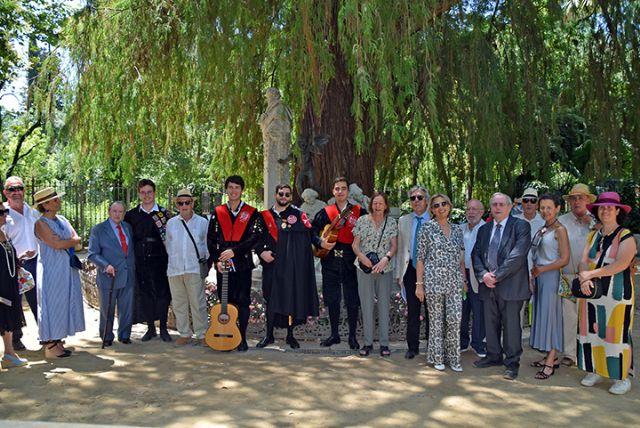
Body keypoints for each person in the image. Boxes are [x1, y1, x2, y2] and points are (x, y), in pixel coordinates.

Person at [576, 191, 636, 395]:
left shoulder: (625, 236)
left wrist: (588, 275)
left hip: (616, 294)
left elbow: (621, 264)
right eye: (602, 207)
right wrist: (585, 276)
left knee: (615, 333)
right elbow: (583, 259)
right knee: (591, 330)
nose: (606, 210)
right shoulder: (593, 235)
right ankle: (594, 369)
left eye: (611, 207)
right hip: (592, 292)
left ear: (618, 211)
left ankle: (622, 376)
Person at [472, 192, 531, 380]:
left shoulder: (521, 226)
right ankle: (493, 356)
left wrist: (495, 276)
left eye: (501, 204)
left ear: (509, 207)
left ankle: (512, 363)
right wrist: (483, 275)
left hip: (511, 286)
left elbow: (518, 256)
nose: (497, 208)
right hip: (488, 285)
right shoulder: (484, 230)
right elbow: (476, 254)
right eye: (494, 204)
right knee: (490, 324)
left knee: (512, 327)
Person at [255, 184, 319, 349]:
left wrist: (321, 243)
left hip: (290, 266)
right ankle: (268, 335)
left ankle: (290, 336)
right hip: (271, 264)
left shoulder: (298, 215)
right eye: (281, 194)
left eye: (287, 194)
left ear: (291, 197)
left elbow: (311, 234)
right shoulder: (264, 216)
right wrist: (262, 252)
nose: (284, 197)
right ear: (276, 195)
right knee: (270, 299)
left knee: (290, 298)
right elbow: (256, 238)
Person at [312, 177, 367, 349]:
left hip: (352, 258)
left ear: (348, 192)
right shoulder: (325, 212)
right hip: (330, 259)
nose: (340, 191)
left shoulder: (359, 211)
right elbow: (312, 231)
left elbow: (369, 231)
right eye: (337, 188)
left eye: (343, 188)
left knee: (352, 299)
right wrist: (320, 243)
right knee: (332, 298)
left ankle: (352, 336)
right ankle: (334, 335)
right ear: (333, 191)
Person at [207, 175, 260, 352]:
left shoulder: (252, 213)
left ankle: (242, 338)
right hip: (223, 263)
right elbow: (211, 239)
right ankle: (226, 334)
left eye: (237, 187)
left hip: (242, 262)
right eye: (230, 187)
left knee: (243, 300)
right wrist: (216, 260)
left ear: (242, 190)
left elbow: (255, 238)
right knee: (226, 301)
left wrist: (235, 251)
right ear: (226, 190)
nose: (233, 191)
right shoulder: (218, 212)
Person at [415, 194, 465, 371]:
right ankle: (437, 358)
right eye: (436, 206)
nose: (440, 208)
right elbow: (420, 258)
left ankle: (454, 358)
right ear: (432, 210)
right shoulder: (427, 229)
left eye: (444, 204)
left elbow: (461, 257)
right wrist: (419, 285)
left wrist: (464, 279)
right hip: (433, 281)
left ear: (450, 206)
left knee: (454, 320)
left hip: (454, 281)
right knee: (436, 321)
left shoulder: (458, 230)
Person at [33, 187, 85, 358]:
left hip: (66, 269)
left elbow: (77, 240)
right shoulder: (41, 224)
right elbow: (57, 244)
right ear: (45, 205)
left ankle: (59, 339)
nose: (58, 201)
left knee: (65, 302)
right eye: (54, 199)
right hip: (52, 270)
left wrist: (68, 241)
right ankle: (51, 343)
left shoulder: (62, 219)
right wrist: (69, 241)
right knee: (53, 303)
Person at [124, 179, 173, 342]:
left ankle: (164, 328)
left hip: (161, 259)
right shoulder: (131, 215)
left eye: (149, 192)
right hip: (141, 260)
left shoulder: (164, 214)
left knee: (163, 294)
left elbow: (171, 238)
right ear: (139, 194)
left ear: (154, 193)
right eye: (143, 192)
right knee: (146, 294)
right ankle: (151, 328)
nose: (146, 195)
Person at [528, 194, 570, 380]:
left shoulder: (560, 230)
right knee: (542, 315)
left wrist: (543, 269)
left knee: (551, 317)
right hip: (540, 277)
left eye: (549, 208)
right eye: (542, 207)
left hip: (550, 276)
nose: (545, 211)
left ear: (558, 208)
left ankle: (550, 361)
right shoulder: (544, 228)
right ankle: (548, 356)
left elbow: (564, 259)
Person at [352, 192, 398, 357]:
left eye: (380, 203)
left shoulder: (391, 222)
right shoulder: (362, 221)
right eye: (375, 203)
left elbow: (394, 246)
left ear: (386, 206)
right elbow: (355, 245)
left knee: (384, 305)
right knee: (367, 305)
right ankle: (368, 342)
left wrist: (385, 259)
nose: (377, 206)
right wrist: (363, 258)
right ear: (371, 205)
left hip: (384, 268)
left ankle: (384, 344)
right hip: (365, 268)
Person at [557, 183, 596, 367]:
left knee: (591, 315)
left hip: (593, 277)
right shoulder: (561, 221)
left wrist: (594, 224)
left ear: (589, 200)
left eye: (581, 197)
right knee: (569, 315)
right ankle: (570, 353)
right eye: (573, 198)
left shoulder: (599, 220)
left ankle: (590, 353)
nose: (577, 201)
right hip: (567, 276)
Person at [87, 201, 136, 346]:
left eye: (120, 212)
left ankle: (125, 335)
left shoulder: (127, 227)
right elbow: (92, 254)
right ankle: (106, 336)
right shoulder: (99, 229)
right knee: (107, 309)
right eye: (115, 211)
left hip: (127, 274)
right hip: (109, 275)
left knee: (126, 308)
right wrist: (105, 265)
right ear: (109, 211)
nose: (117, 214)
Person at [165, 189, 210, 346]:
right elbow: (168, 245)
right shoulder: (170, 223)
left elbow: (206, 245)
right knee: (179, 304)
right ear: (177, 204)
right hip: (175, 269)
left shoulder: (202, 223)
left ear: (192, 203)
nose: (184, 205)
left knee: (198, 303)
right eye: (180, 203)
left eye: (187, 202)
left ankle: (202, 333)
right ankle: (184, 333)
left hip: (193, 268)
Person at [3, 176, 39, 351]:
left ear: (24, 190)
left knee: (39, 300)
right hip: (13, 266)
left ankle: (46, 335)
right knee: (14, 303)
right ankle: (16, 338)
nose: (16, 192)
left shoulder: (33, 212)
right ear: (5, 193)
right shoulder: (4, 214)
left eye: (19, 188)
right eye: (11, 189)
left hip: (35, 263)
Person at [396, 186, 431, 359]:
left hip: (431, 270)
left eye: (420, 197)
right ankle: (413, 347)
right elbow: (400, 249)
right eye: (413, 198)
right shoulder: (403, 220)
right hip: (409, 269)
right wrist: (399, 273)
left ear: (427, 200)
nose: (416, 201)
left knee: (433, 309)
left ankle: (433, 345)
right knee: (413, 310)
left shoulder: (435, 218)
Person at [0, 205, 28, 368]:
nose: (4, 215)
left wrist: (19, 260)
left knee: (7, 319)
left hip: (8, 284)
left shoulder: (3, 232)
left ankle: (9, 354)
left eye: (5, 212)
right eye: (1, 213)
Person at [460, 199, 486, 358]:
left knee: (479, 310)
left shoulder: (486, 229)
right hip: (461, 273)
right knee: (462, 310)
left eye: (475, 209)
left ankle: (478, 343)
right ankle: (462, 342)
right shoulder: (460, 229)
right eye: (468, 209)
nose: (471, 212)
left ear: (482, 212)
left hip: (479, 275)